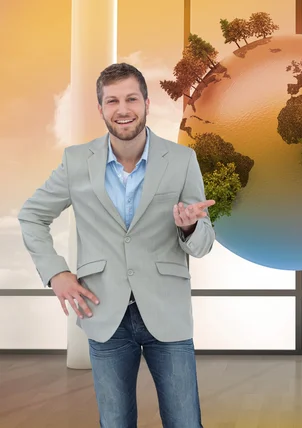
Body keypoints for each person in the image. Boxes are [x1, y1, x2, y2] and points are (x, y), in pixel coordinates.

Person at [18, 63, 215, 428]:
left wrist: (190, 229)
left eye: (130, 99)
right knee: (115, 422)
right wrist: (56, 273)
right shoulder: (76, 161)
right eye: (112, 101)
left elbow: (203, 245)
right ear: (101, 109)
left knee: (185, 422)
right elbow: (32, 215)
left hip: (166, 311)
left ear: (146, 103)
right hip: (104, 311)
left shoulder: (182, 160)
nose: (122, 109)